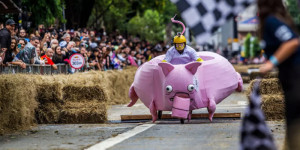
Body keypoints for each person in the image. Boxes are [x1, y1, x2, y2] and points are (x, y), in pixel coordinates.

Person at [257, 0, 300, 149]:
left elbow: (292, 42)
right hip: (290, 77)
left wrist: (271, 63)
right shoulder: (278, 19)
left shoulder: (271, 21)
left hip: (295, 75)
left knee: (295, 125)